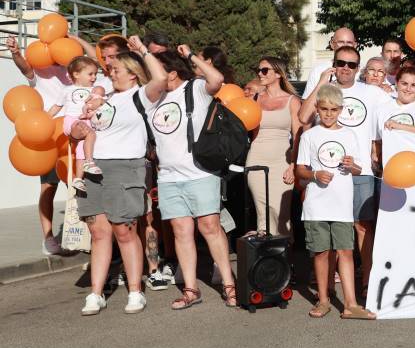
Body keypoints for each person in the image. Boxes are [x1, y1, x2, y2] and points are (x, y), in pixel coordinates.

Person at [138, 45, 238, 309]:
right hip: (168, 177)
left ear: (171, 73)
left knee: (210, 227)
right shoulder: (153, 98)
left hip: (200, 173)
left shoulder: (193, 89)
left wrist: (191, 56)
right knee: (181, 232)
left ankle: (229, 284)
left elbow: (217, 80)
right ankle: (191, 289)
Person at [77, 40, 167, 315]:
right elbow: (85, 131)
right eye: (111, 68)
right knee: (98, 231)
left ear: (132, 72)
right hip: (95, 167)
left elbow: (161, 77)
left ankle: (135, 291)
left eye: (116, 69)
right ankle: (96, 293)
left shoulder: (141, 96)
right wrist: (78, 130)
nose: (111, 72)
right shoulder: (106, 99)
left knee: (124, 230)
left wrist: (143, 50)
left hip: (125, 166)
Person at [300, 46, 392, 294]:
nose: (346, 68)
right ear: (334, 63)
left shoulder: (371, 92)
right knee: (329, 231)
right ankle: (326, 287)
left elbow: (401, 107)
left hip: (359, 170)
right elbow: (303, 116)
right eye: (341, 63)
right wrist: (321, 82)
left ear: (358, 68)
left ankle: (367, 283)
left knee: (362, 227)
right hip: (327, 175)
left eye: (352, 65)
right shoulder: (325, 88)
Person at [294, 84, 375, 320]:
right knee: (320, 252)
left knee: (346, 252)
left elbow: (359, 168)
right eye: (324, 109)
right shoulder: (309, 136)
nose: (328, 114)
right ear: (317, 109)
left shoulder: (348, 135)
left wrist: (352, 166)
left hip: (341, 205)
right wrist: (314, 175)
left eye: (333, 109)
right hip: (316, 205)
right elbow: (300, 169)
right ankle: (323, 300)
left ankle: (350, 304)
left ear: (341, 110)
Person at [5, 35, 75, 254]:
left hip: (72, 135)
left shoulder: (72, 71)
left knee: (76, 188)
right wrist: (16, 52)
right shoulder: (39, 70)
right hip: (48, 136)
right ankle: (48, 238)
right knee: (48, 187)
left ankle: (80, 235)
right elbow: (25, 68)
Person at [247, 56, 301, 240]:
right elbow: (250, 131)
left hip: (282, 161)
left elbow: (298, 136)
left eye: (265, 70)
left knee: (281, 213)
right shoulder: (255, 98)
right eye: (259, 70)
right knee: (262, 212)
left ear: (278, 74)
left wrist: (293, 165)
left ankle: (285, 262)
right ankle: (267, 264)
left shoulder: (292, 101)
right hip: (256, 158)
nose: (260, 74)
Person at [48, 56, 106, 191]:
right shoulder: (67, 90)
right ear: (76, 74)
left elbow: (102, 103)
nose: (94, 77)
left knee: (81, 151)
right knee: (91, 135)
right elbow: (57, 106)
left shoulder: (93, 91)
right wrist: (46, 117)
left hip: (86, 122)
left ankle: (79, 179)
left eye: (95, 74)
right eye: (90, 74)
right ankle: (90, 162)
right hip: (72, 121)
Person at [376, 65, 415, 139]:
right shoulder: (383, 108)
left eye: (413, 85)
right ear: (396, 84)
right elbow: (377, 142)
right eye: (404, 84)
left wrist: (399, 126)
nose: (408, 89)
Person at [304, 27, 357, 94]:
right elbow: (307, 103)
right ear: (332, 44)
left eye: (349, 42)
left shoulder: (363, 72)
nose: (345, 46)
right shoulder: (318, 71)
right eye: (341, 42)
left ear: (355, 45)